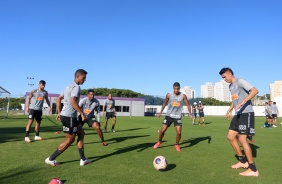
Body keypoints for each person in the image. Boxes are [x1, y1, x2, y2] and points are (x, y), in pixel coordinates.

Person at [45, 69, 91, 166]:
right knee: (70, 139)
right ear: (77, 76)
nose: (85, 80)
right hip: (69, 116)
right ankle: (51, 158)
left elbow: (58, 98)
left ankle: (83, 159)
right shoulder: (76, 87)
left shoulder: (68, 87)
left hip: (67, 116)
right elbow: (73, 101)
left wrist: (59, 112)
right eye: (84, 77)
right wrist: (82, 113)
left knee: (81, 133)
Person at [220, 67, 259, 177]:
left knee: (242, 139)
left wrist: (243, 102)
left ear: (230, 74)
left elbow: (255, 91)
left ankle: (253, 169)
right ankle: (242, 162)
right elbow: (234, 99)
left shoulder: (241, 81)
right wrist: (229, 109)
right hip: (238, 114)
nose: (224, 79)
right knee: (230, 137)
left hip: (246, 113)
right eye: (222, 78)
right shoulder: (230, 86)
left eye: (225, 77)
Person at [153, 82, 193, 152]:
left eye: (177, 89)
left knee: (179, 133)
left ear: (179, 88)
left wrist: (190, 113)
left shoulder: (183, 96)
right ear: (173, 88)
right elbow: (164, 103)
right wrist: (160, 112)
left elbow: (188, 105)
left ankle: (177, 144)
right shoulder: (169, 95)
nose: (176, 90)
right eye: (175, 89)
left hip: (177, 117)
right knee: (162, 131)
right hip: (168, 116)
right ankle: (159, 141)